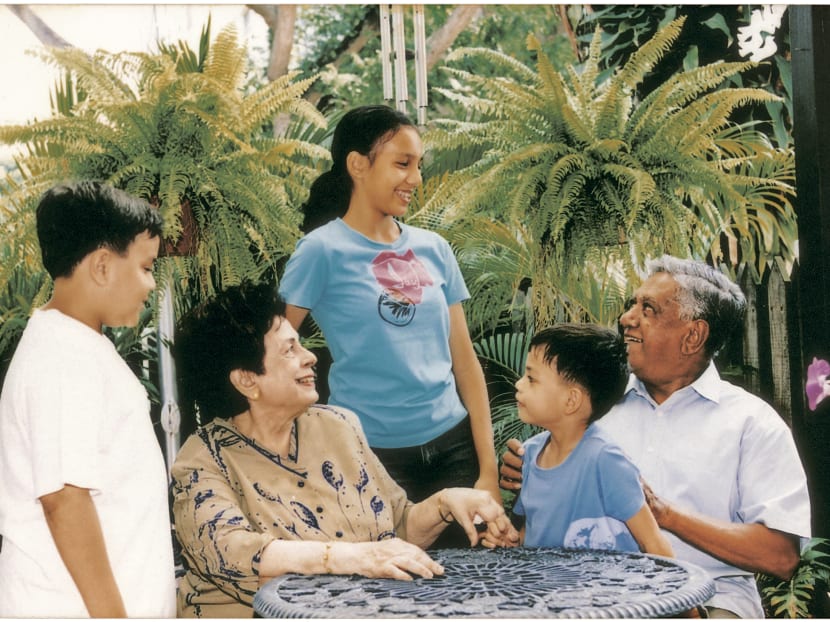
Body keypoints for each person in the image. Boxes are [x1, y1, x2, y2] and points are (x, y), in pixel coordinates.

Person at [170, 282, 512, 618]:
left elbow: (398, 528)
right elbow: (231, 554)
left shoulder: (339, 426)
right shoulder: (203, 460)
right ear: (247, 380)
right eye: (290, 350)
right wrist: (356, 557)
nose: (310, 357)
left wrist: (445, 503)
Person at [499, 255, 811, 618]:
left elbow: (781, 555)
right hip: (587, 595)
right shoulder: (592, 405)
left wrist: (666, 515)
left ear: (693, 335)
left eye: (648, 309)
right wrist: (535, 476)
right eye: (632, 304)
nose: (627, 318)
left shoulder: (751, 423)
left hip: (710, 597)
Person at [278, 105, 500, 539]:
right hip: (370, 458)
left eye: (418, 165)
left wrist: (487, 470)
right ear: (358, 165)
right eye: (402, 164)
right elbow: (272, 349)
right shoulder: (319, 251)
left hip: (455, 451)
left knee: (470, 594)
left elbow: (466, 363)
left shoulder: (434, 248)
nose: (415, 179)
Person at [0, 181, 176, 617]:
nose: (151, 285)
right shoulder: (62, 357)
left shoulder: (78, 345)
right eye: (146, 267)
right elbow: (64, 499)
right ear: (101, 266)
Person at [484, 324, 673, 557]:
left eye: (531, 378)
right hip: (548, 590)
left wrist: (670, 590)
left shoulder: (605, 460)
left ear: (571, 400)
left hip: (608, 591)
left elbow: (653, 543)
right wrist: (511, 540)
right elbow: (531, 535)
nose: (519, 384)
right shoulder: (531, 454)